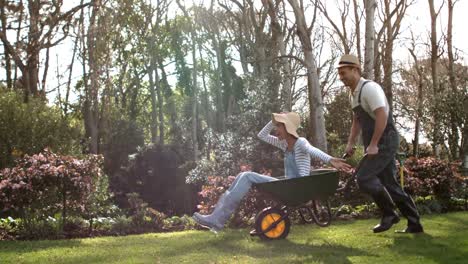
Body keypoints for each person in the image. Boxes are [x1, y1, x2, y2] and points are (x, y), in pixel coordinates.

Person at [192, 112, 352, 232]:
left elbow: (313, 150)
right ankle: (216, 218)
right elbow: (261, 135)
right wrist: (274, 119)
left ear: (288, 128)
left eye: (279, 126)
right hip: (289, 185)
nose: (276, 130)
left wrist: (331, 160)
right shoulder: (284, 144)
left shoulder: (300, 143)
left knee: (246, 175)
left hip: (298, 188)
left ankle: (217, 220)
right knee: (243, 175)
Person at [337, 54, 424, 233]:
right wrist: (351, 143)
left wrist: (374, 143)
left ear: (355, 69)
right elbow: (357, 120)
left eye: (344, 72)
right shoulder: (353, 94)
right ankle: (414, 223)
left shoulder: (370, 88)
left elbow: (382, 114)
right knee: (390, 184)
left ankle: (389, 214)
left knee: (363, 177)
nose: (341, 77)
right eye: (339, 73)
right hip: (376, 143)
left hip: (386, 139)